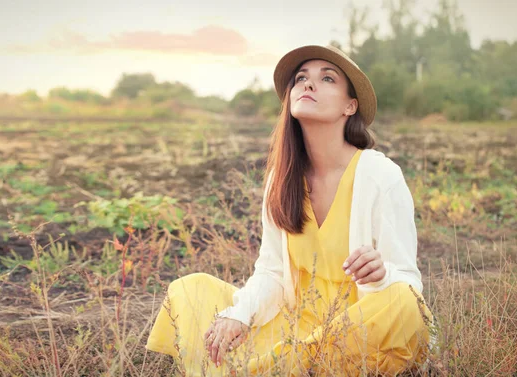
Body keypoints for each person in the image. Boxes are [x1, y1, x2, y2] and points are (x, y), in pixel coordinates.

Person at [145, 45, 434, 376]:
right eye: (301, 78)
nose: (308, 85)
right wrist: (239, 313)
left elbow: (408, 283)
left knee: (405, 304)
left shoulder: (381, 176)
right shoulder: (281, 179)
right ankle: (286, 363)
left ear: (349, 106)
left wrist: (382, 274)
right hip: (295, 324)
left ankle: (277, 365)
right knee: (191, 289)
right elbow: (271, 272)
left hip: (361, 329)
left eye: (327, 78)